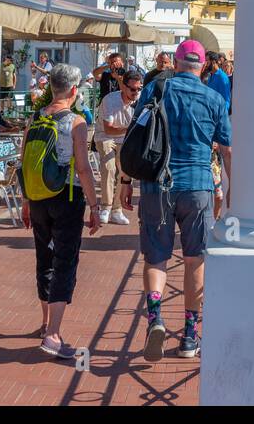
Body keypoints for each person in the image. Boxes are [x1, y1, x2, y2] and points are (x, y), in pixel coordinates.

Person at [136, 39, 232, 361]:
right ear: (203, 66)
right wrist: (230, 189)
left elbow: (135, 136)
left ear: (175, 63)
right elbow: (227, 148)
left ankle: (155, 319)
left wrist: (125, 180)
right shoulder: (214, 98)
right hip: (197, 188)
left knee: (156, 258)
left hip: (156, 186)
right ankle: (190, 337)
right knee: (194, 259)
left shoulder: (154, 91)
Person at [19, 64, 101, 359]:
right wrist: (95, 205)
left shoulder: (34, 118)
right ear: (74, 91)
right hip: (66, 197)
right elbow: (83, 167)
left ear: (51, 87)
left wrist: (26, 200)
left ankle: (44, 323)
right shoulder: (76, 122)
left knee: (45, 257)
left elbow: (23, 162)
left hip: (38, 196)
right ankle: (53, 335)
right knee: (65, 261)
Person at [94, 67, 142, 225]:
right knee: (109, 167)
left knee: (125, 171)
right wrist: (132, 128)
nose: (136, 92)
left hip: (125, 139)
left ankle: (117, 209)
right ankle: (106, 207)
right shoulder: (110, 100)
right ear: (124, 86)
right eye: (133, 89)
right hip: (105, 137)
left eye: (139, 88)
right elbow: (108, 128)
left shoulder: (140, 101)